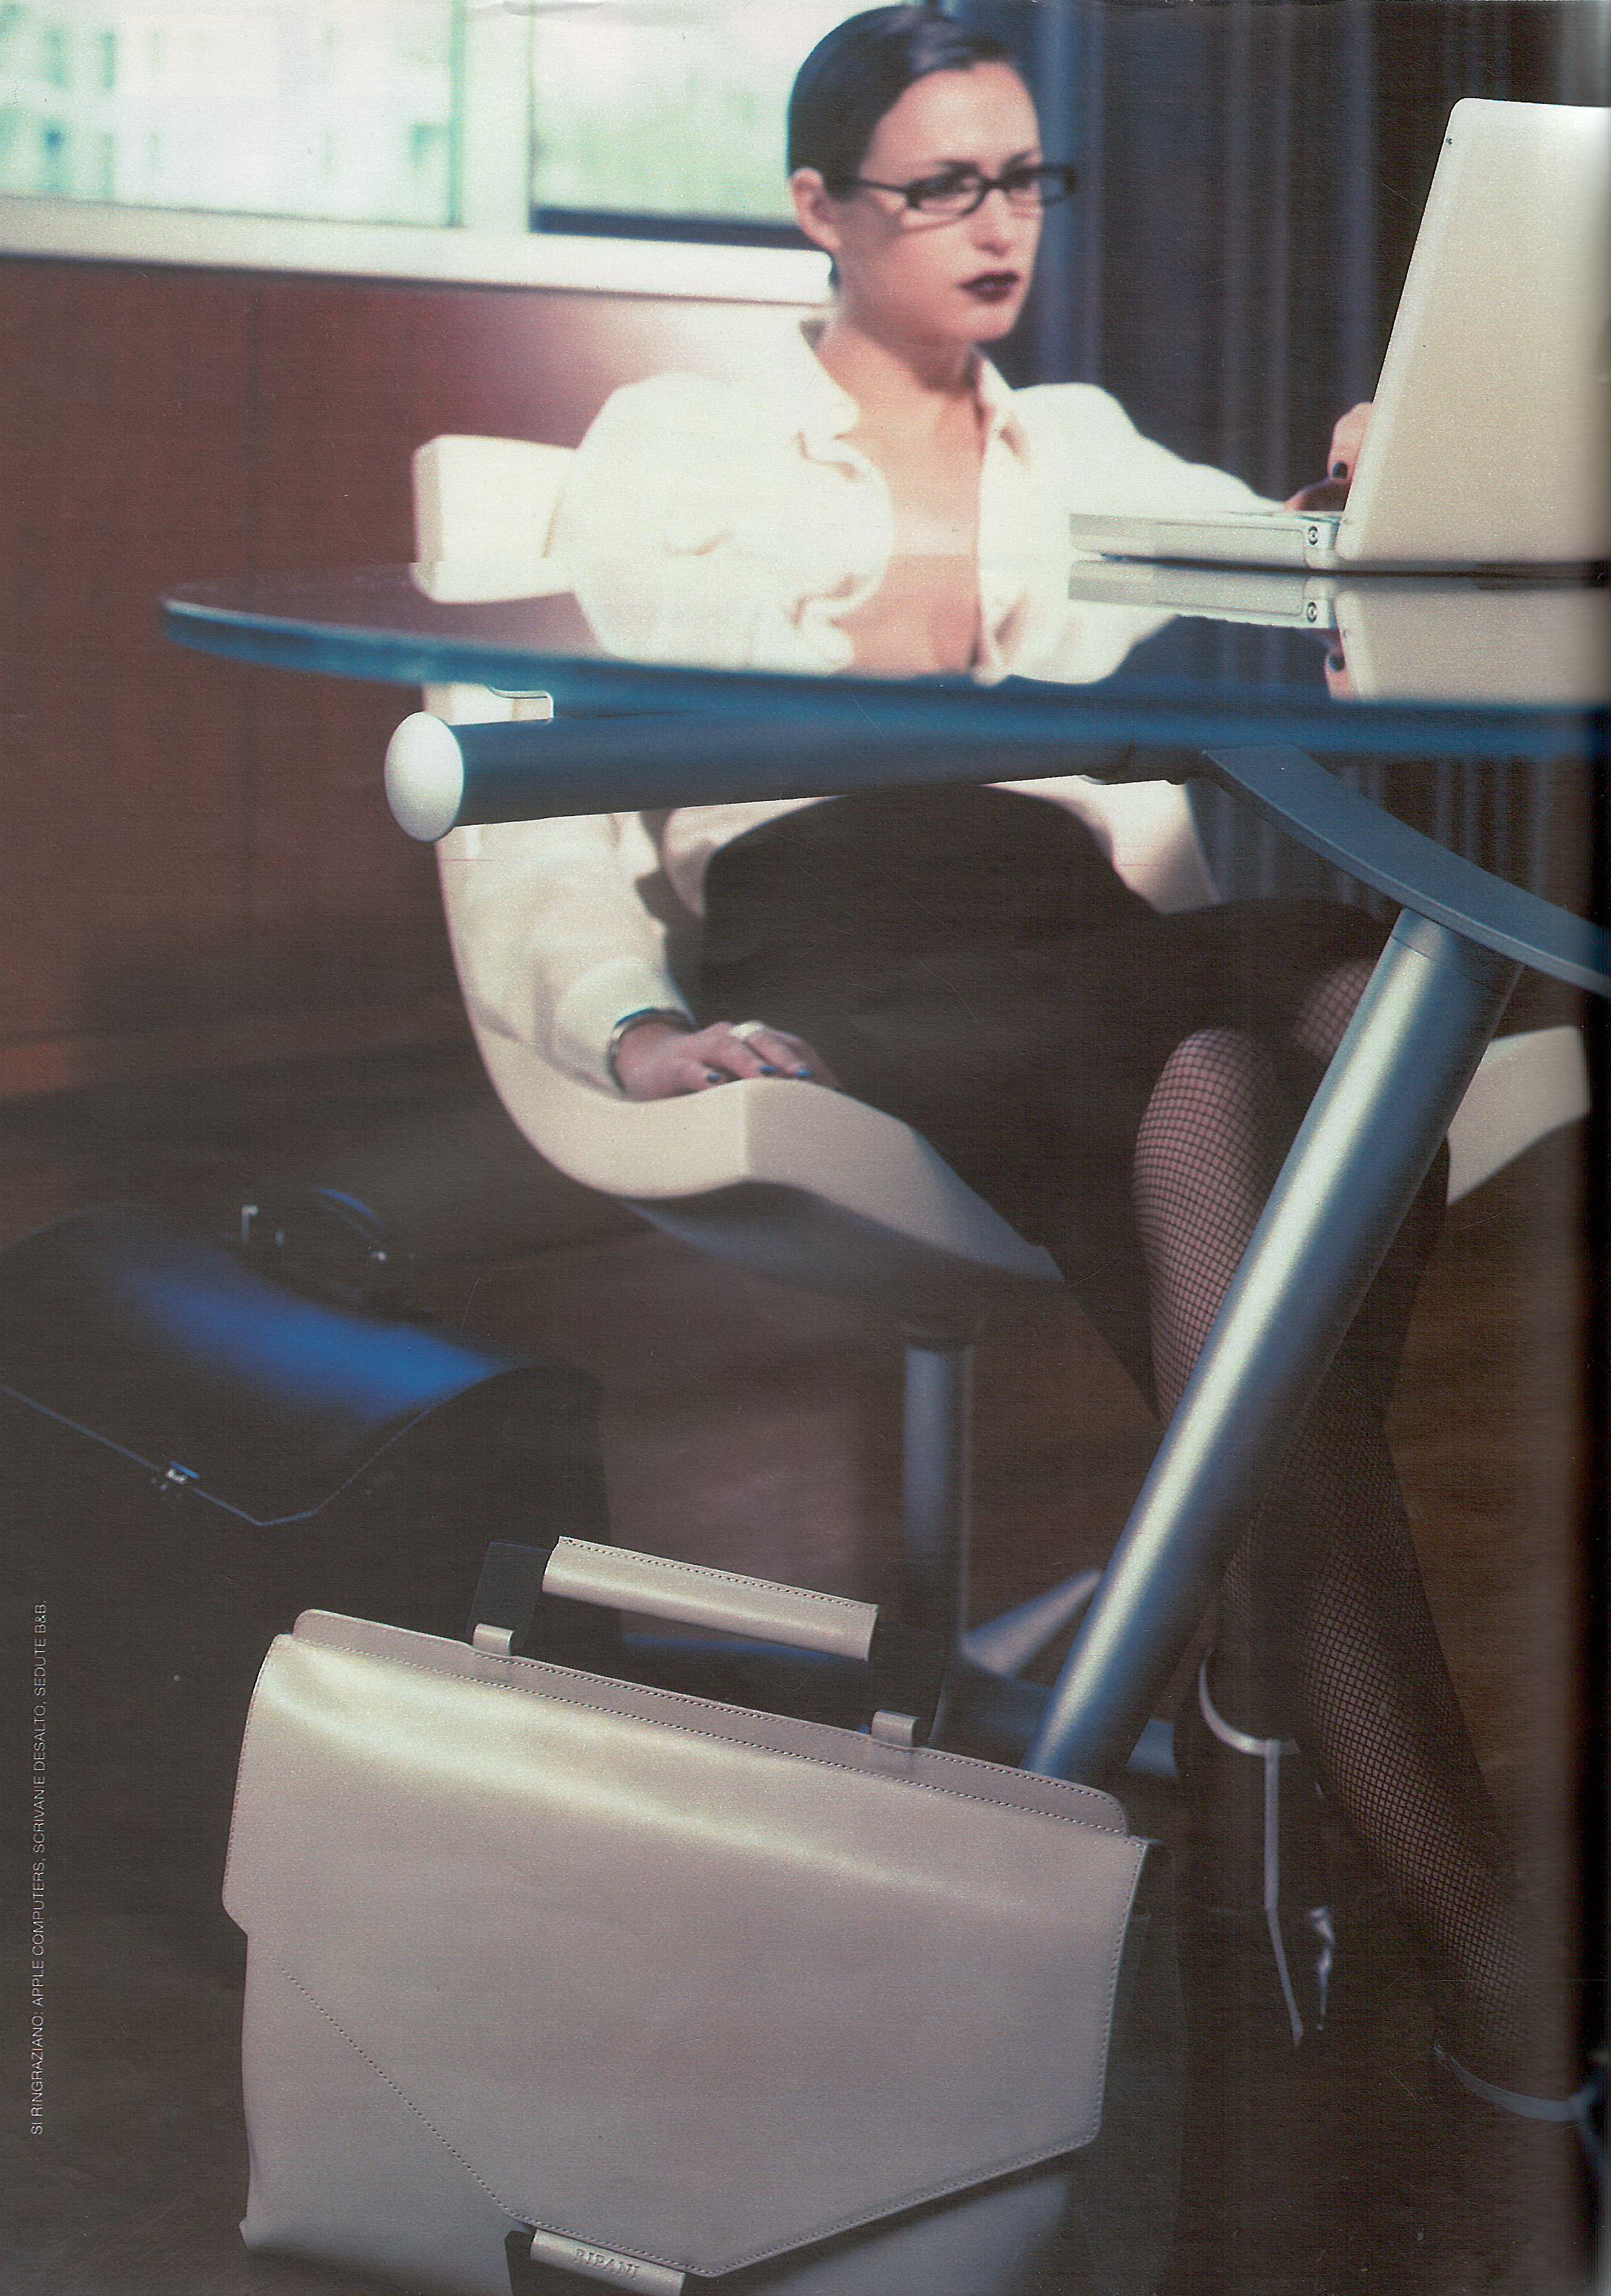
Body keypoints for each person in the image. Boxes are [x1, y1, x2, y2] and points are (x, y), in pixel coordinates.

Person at [438, 1, 1589, 2224]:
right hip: (846, 930)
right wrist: (622, 1020)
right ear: (818, 207)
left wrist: (1381, 478)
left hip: (1065, 913)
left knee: (1375, 987)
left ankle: (1266, 1655)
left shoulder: (1072, 441)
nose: (999, 225)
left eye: (1026, 178)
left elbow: (1295, 553)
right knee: (1215, 1090)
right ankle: (1471, 1927)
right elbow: (531, 750)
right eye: (942, 183)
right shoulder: (679, 435)